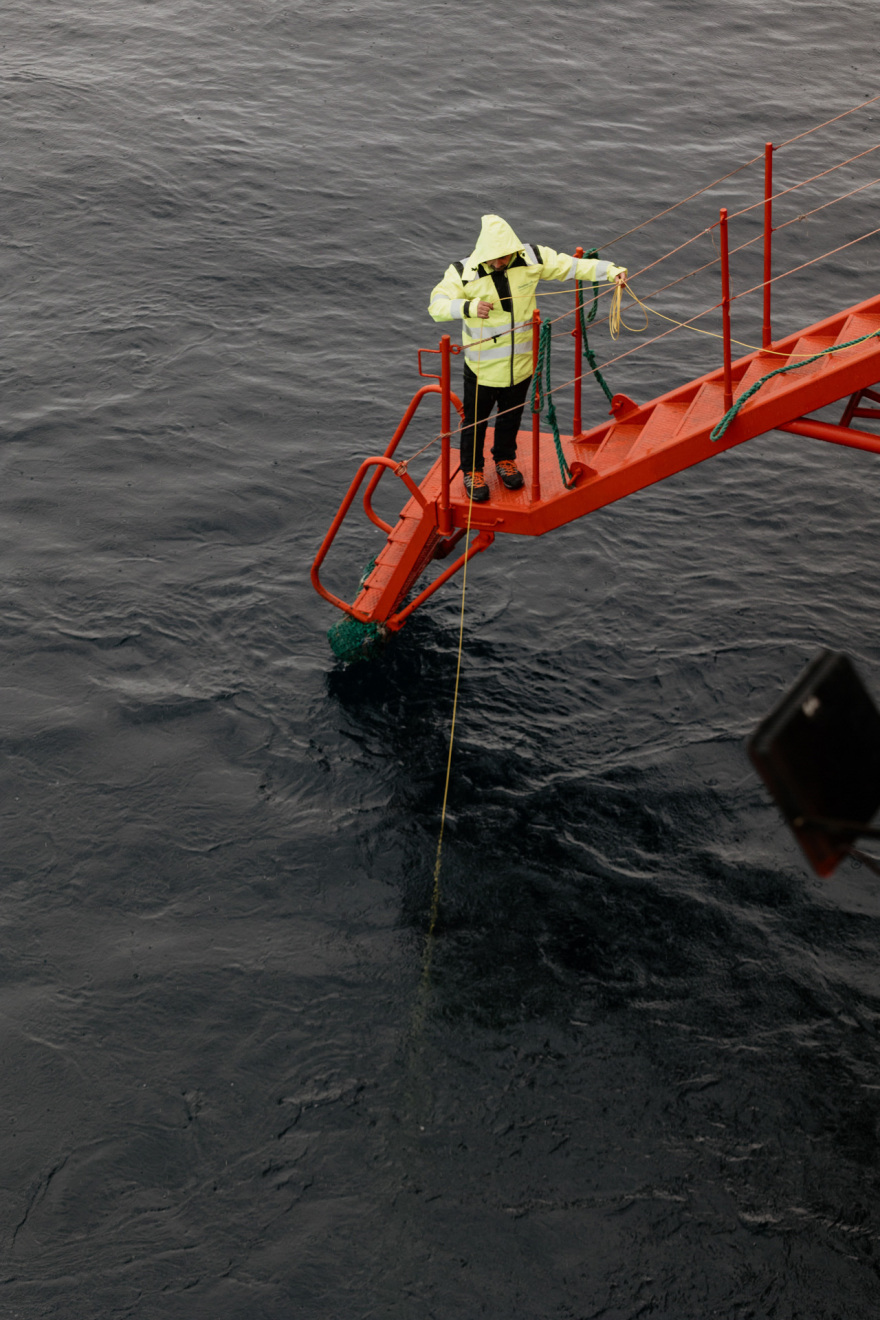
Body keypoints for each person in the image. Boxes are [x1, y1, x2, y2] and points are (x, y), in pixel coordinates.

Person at [428, 214, 627, 501]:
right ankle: (472, 470)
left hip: (520, 366)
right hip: (482, 369)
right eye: (494, 258)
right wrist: (467, 307)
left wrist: (611, 271)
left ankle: (504, 460)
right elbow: (437, 305)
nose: (499, 263)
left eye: (504, 256)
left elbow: (570, 266)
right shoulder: (462, 272)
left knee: (511, 418)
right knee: (475, 422)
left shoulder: (531, 258)